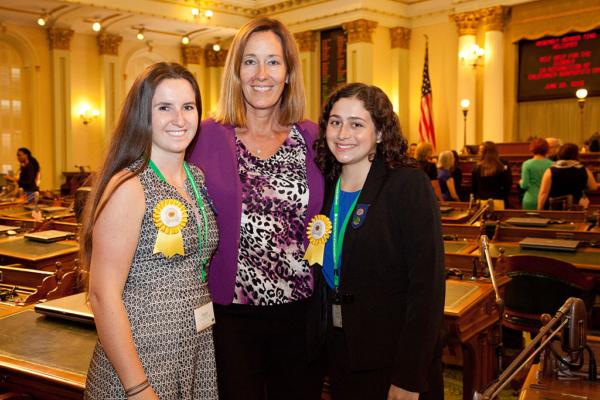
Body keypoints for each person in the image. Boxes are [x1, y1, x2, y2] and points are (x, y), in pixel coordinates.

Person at [188, 17, 325, 400]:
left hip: (301, 312)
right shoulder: (205, 135)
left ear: (288, 72)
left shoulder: (312, 136)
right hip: (230, 316)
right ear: (236, 72)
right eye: (250, 61)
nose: (261, 74)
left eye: (273, 62)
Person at [82, 62, 218, 399]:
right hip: (141, 358)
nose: (180, 119)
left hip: (193, 351)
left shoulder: (195, 178)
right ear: (143, 115)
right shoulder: (130, 184)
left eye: (188, 107)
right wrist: (138, 387)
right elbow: (102, 294)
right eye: (164, 107)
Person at [312, 83, 445, 400]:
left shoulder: (407, 184)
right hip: (342, 353)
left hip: (394, 360)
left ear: (381, 133)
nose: (343, 133)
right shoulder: (324, 185)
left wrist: (409, 377)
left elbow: (427, 289)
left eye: (357, 124)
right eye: (335, 122)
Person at [537, 143, 598, 210]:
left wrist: (539, 209)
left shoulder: (550, 171)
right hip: (576, 208)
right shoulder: (584, 170)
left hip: (555, 209)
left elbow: (544, 193)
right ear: (576, 155)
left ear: (559, 154)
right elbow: (593, 187)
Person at [471, 141, 512, 209]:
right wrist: (504, 195)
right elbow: (508, 183)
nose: (478, 153)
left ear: (483, 153)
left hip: (481, 200)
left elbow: (474, 187)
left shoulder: (477, 167)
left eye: (480, 151)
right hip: (498, 199)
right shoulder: (502, 165)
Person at [519, 138, 552, 210]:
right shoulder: (552, 164)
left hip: (530, 199)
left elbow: (524, 185)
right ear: (546, 149)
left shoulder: (527, 164)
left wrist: (521, 182)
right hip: (546, 199)